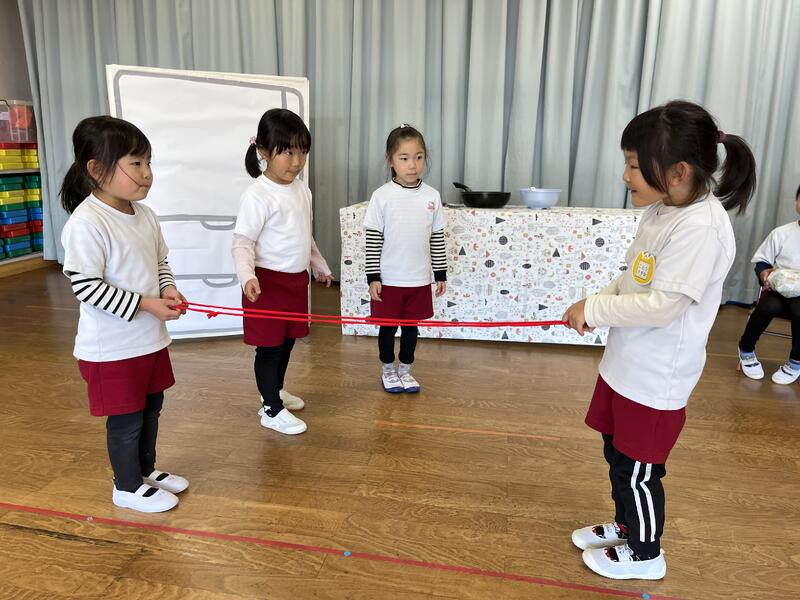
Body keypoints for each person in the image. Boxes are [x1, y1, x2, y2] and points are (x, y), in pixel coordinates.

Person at [562, 100, 756, 580]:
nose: (625, 176)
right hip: (626, 365)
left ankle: (647, 554)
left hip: (656, 380)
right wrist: (596, 300)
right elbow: (634, 277)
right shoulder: (661, 210)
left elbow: (664, 305)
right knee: (616, 454)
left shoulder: (701, 228)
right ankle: (627, 526)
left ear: (677, 172)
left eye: (633, 165)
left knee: (640, 470)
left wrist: (597, 310)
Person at [60, 116, 189, 513]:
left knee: (151, 409)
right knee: (127, 419)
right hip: (111, 350)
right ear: (97, 169)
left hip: (148, 341)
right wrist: (147, 304)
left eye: (148, 162)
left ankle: (145, 472)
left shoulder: (145, 215)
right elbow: (86, 287)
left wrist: (166, 289)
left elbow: (159, 262)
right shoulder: (88, 222)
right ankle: (126, 486)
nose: (147, 173)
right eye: (136, 163)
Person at [232, 108, 333, 435]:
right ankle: (270, 409)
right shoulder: (257, 195)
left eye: (302, 152)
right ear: (264, 151)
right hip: (267, 284)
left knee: (287, 343)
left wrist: (319, 264)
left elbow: (304, 235)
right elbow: (242, 243)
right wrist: (247, 277)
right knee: (270, 348)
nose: (297, 161)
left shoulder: (302, 190)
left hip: (295, 283)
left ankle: (274, 391)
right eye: (288, 152)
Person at [364, 124, 447, 393]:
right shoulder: (381, 196)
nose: (412, 165)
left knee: (411, 329)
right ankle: (388, 369)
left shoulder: (432, 196)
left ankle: (406, 370)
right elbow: (373, 241)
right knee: (388, 329)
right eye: (404, 158)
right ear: (391, 160)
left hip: (418, 279)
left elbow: (436, 238)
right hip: (389, 281)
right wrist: (373, 277)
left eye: (419, 157)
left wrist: (440, 274)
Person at [738, 183, 800, 383]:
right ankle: (746, 349)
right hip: (779, 288)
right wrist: (764, 273)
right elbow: (762, 261)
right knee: (768, 306)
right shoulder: (781, 233)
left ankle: (796, 361)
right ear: (796, 202)